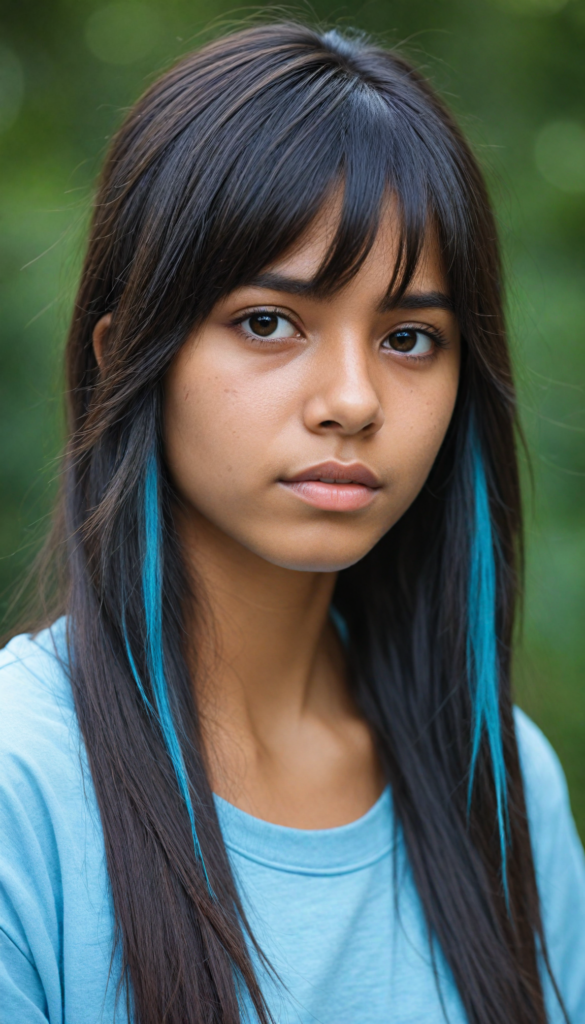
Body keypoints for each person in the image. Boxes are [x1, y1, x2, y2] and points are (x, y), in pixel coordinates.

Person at [1, 21, 584, 1024]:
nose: (353, 398)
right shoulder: (24, 786)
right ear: (121, 354)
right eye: (270, 322)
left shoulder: (501, 780)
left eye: (409, 336)